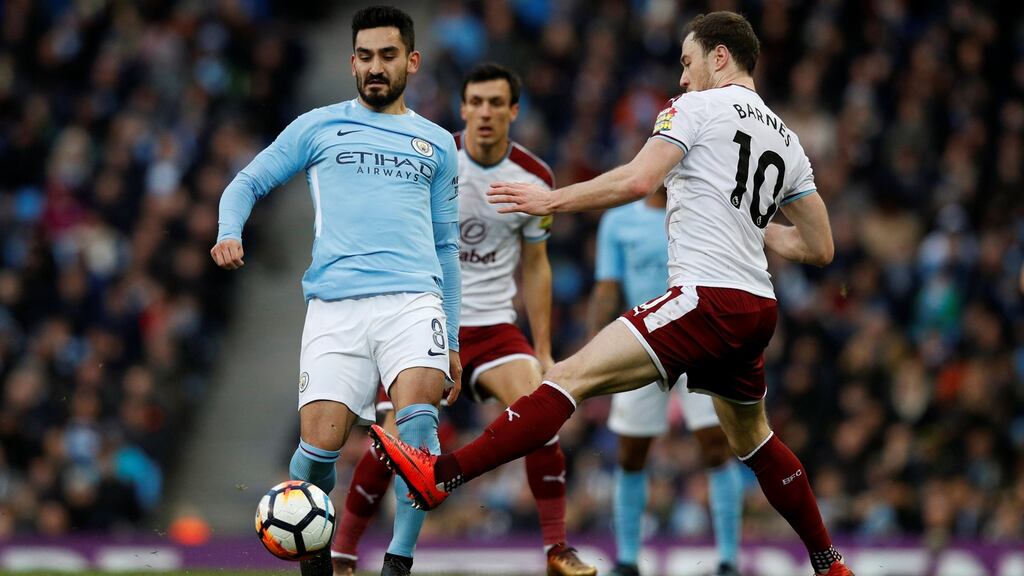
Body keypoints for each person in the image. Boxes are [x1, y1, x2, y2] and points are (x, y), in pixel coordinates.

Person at [371, 11, 856, 576]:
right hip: (757, 307)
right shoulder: (784, 135)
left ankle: (440, 476)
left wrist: (550, 201)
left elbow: (636, 181)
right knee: (754, 440)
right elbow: (820, 247)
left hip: (705, 299)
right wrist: (755, 223)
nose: (682, 77)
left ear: (718, 56)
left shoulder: (695, 109)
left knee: (566, 378)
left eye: (687, 61)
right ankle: (828, 561)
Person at [211, 7, 461, 576]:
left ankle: (398, 562)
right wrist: (229, 231)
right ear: (352, 62)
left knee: (418, 429)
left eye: (388, 56)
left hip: (412, 301)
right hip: (335, 306)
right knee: (315, 456)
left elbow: (447, 247)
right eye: (366, 57)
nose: (376, 68)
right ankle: (317, 566)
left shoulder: (438, 143)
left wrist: (454, 334)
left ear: (411, 62)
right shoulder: (318, 126)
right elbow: (247, 181)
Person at [330, 64, 596, 576]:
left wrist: (541, 349)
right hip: (425, 322)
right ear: (463, 108)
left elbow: (536, 265)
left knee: (542, 409)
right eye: (476, 102)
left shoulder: (535, 178)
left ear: (513, 111)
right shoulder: (433, 158)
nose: (486, 112)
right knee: (393, 441)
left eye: (497, 103)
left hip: (495, 327)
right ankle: (343, 554)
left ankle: (556, 550)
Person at [590, 187, 745, 576]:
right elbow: (607, 288)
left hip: (701, 342)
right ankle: (627, 560)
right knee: (631, 453)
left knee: (716, 445)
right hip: (642, 344)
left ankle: (728, 559)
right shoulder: (618, 220)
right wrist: (594, 354)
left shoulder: (704, 211)